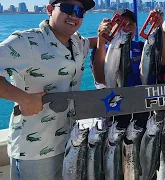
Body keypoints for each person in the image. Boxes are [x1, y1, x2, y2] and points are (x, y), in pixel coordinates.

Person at [0, 0, 101, 179]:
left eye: (80, 11)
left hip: (71, 143)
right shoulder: (25, 41)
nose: (74, 15)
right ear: (49, 10)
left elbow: (90, 43)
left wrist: (106, 36)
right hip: (35, 152)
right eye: (68, 8)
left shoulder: (76, 42)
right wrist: (23, 98)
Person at [91, 8, 164, 129]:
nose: (126, 27)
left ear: (136, 27)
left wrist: (158, 28)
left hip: (143, 111)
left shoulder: (142, 47)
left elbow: (161, 63)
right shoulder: (102, 49)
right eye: (121, 24)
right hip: (115, 113)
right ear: (112, 26)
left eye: (131, 24)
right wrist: (100, 41)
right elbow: (99, 79)